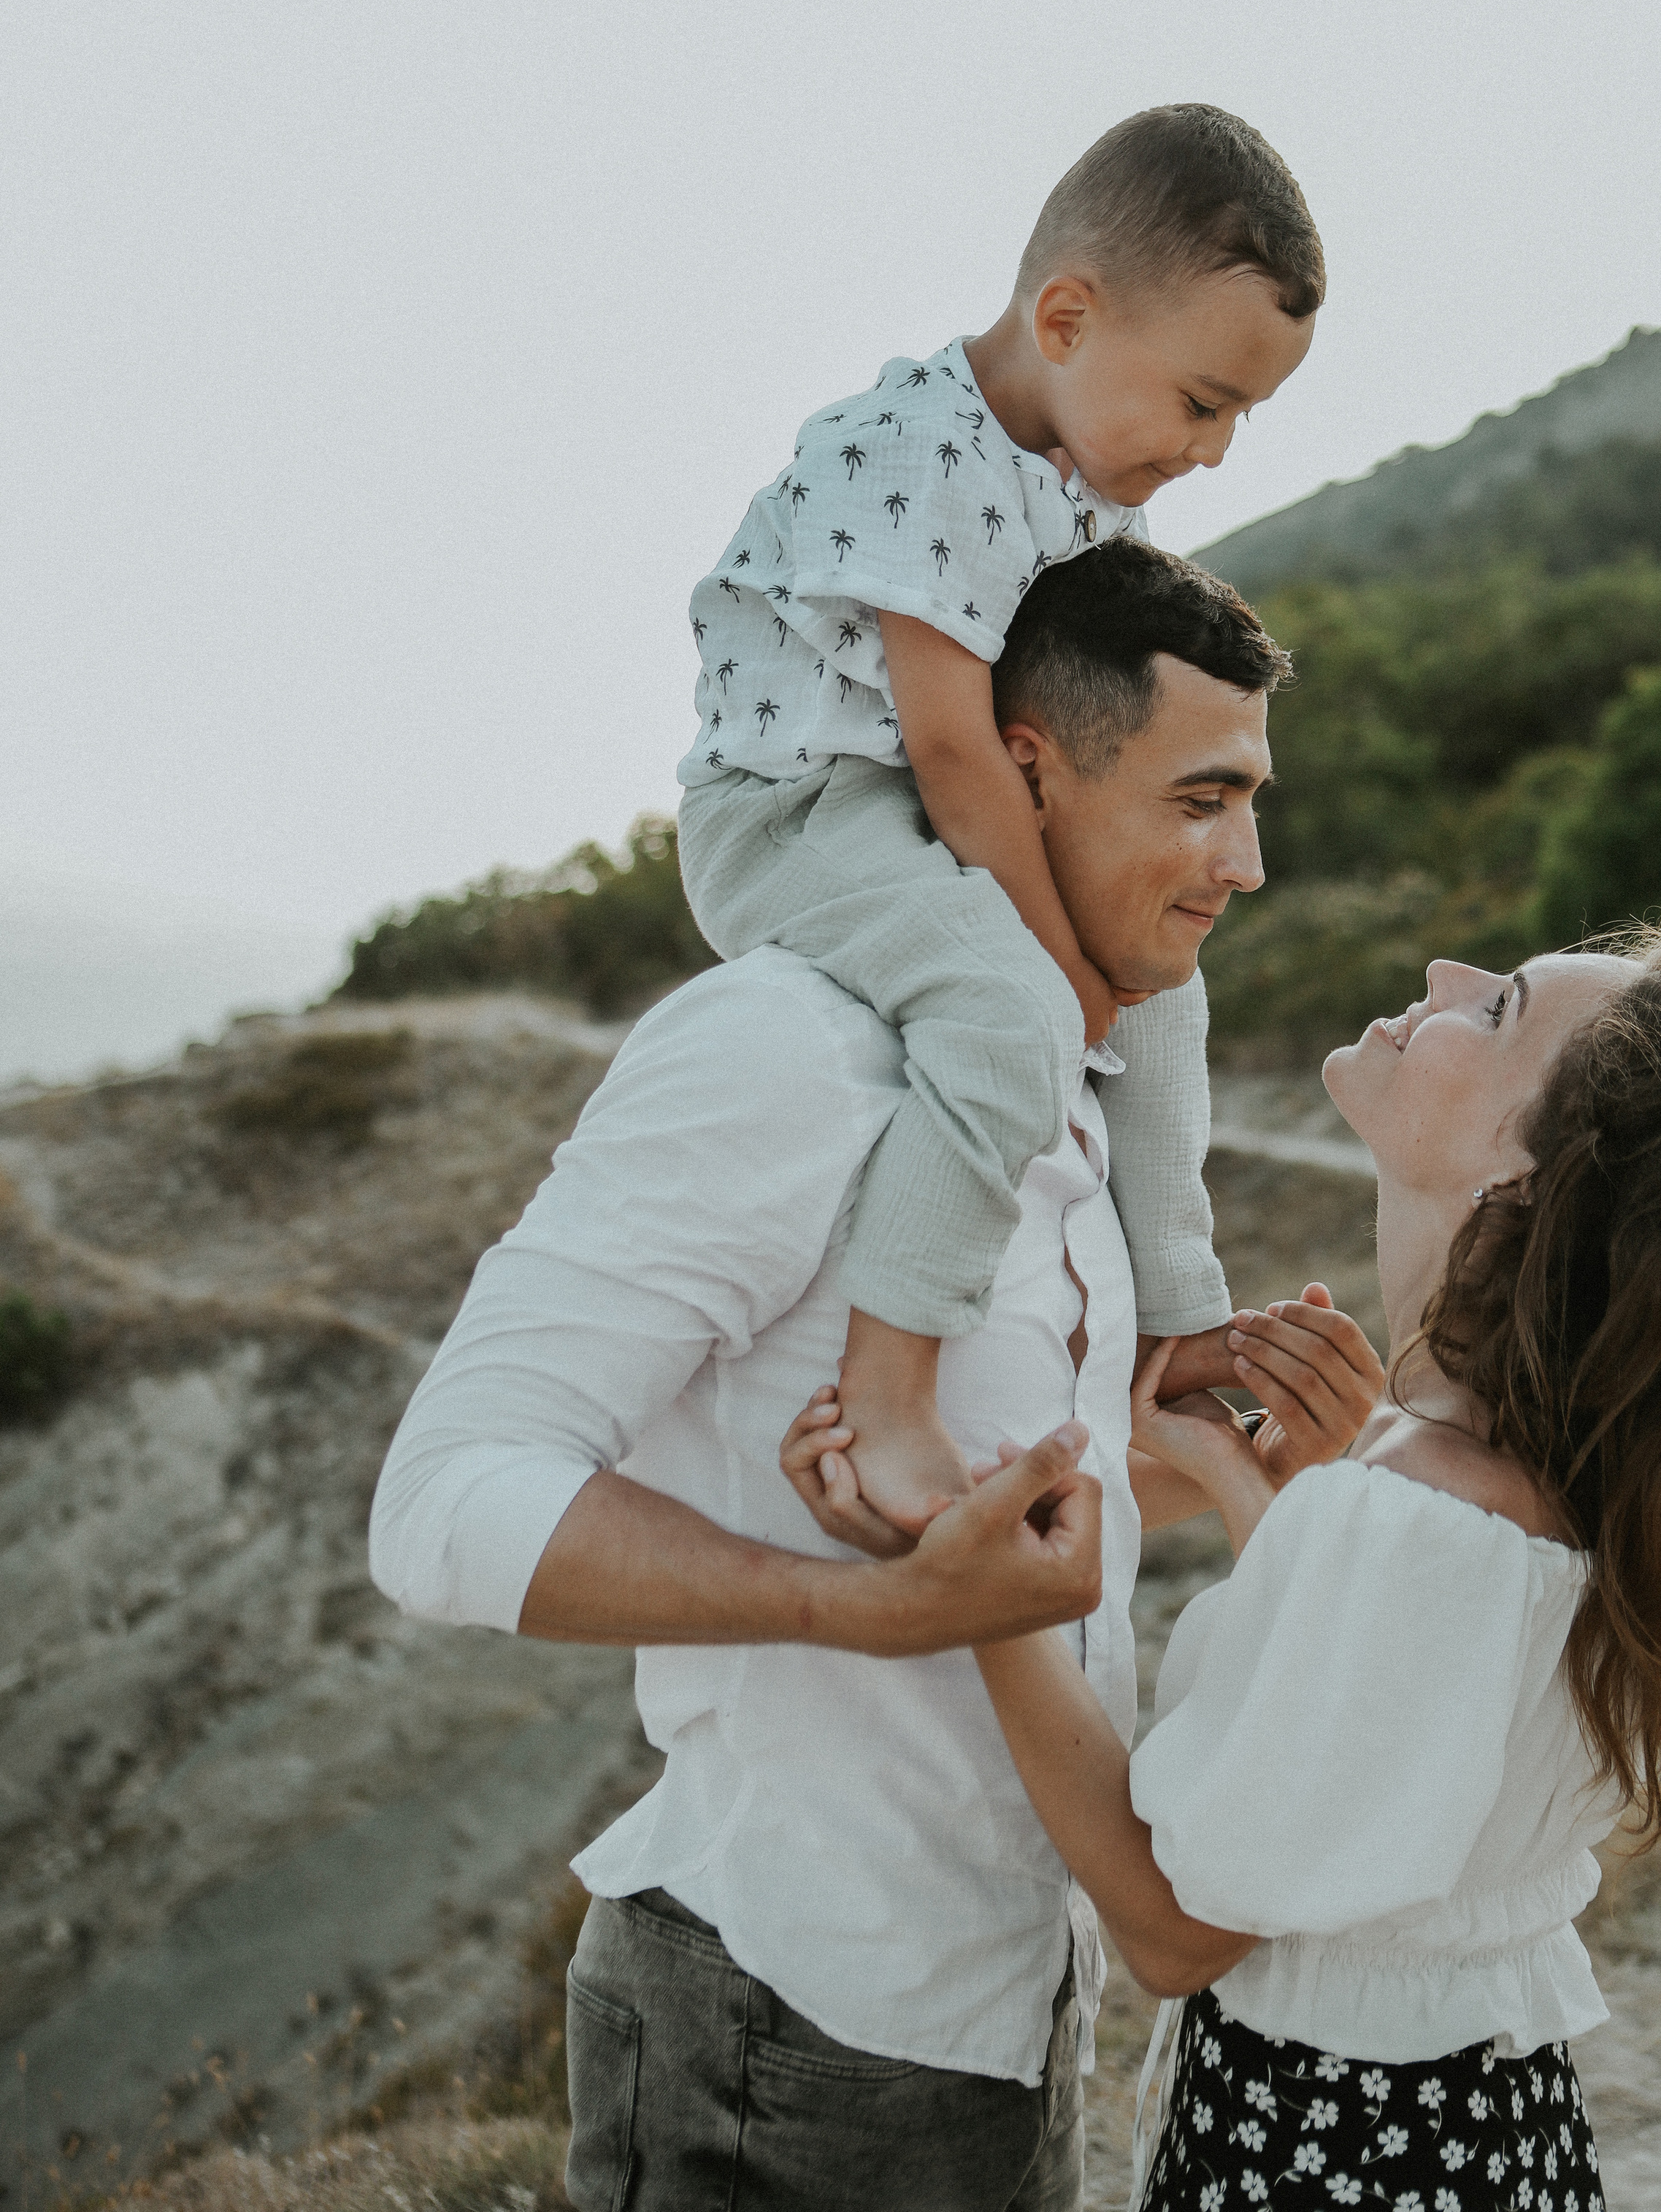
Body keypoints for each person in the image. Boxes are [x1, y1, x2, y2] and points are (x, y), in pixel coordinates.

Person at [369, 539, 1384, 2212]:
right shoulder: (786, 1048)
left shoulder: (1078, 1098)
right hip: (777, 2027)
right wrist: (866, 1609)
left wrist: (1218, 1474)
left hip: (1008, 2014)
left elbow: (1015, 1534)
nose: (1247, 862)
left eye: (1253, 801)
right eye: (1201, 800)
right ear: (1026, 770)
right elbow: (444, 1503)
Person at [786, 928, 1661, 2212]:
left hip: (1346, 2161)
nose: (1449, 980)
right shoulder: (1486, 1464)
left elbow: (1176, 1930)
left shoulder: (1420, 1515)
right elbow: (1382, 1773)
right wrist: (1272, 1499)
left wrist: (984, 1605)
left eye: (1503, 1007)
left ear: (1527, 1178)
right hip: (1466, 2138)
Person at [675, 104, 1324, 1532]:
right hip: (800, 813)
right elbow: (957, 755)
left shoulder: (1086, 492)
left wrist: (1118, 968)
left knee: (1163, 979)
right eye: (1203, 401)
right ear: (1067, 316)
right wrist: (1060, 976)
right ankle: (889, 1393)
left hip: (924, 810)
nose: (1213, 450)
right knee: (998, 1008)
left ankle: (1176, 1318)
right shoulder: (914, 451)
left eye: (1239, 418)